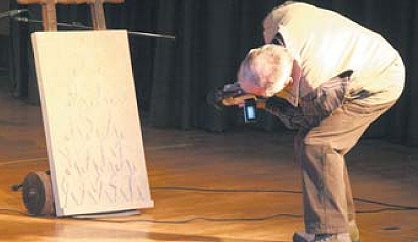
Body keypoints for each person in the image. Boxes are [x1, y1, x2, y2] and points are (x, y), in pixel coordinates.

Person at [237, 2, 405, 242]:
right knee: (316, 146)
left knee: (318, 144)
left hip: (380, 81)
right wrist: (250, 91)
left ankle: (332, 235)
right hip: (356, 59)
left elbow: (302, 118)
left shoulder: (317, 82)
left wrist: (265, 104)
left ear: (286, 83)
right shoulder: (274, 23)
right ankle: (342, 227)